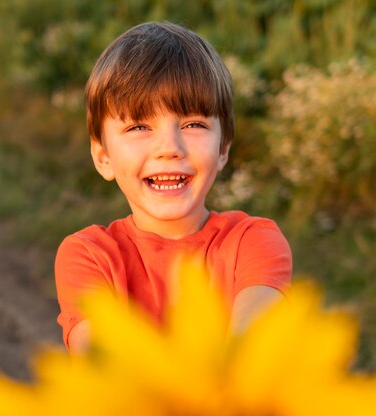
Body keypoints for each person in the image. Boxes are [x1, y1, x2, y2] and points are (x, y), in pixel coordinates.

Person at [55, 22, 292, 353]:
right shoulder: (88, 256)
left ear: (223, 148)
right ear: (103, 156)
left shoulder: (254, 242)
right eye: (139, 126)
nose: (170, 147)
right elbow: (104, 370)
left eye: (193, 124)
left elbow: (249, 355)